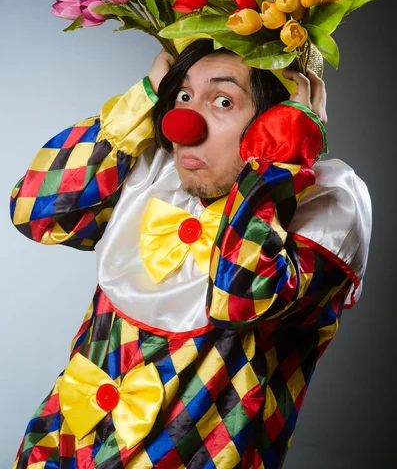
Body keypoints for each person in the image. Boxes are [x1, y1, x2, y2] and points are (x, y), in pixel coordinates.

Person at [10, 37, 371, 469]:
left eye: (221, 100)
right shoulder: (149, 173)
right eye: (182, 95)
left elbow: (241, 296)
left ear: (275, 120)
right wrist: (144, 97)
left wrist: (278, 162)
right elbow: (34, 211)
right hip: (59, 451)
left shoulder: (324, 205)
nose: (184, 123)